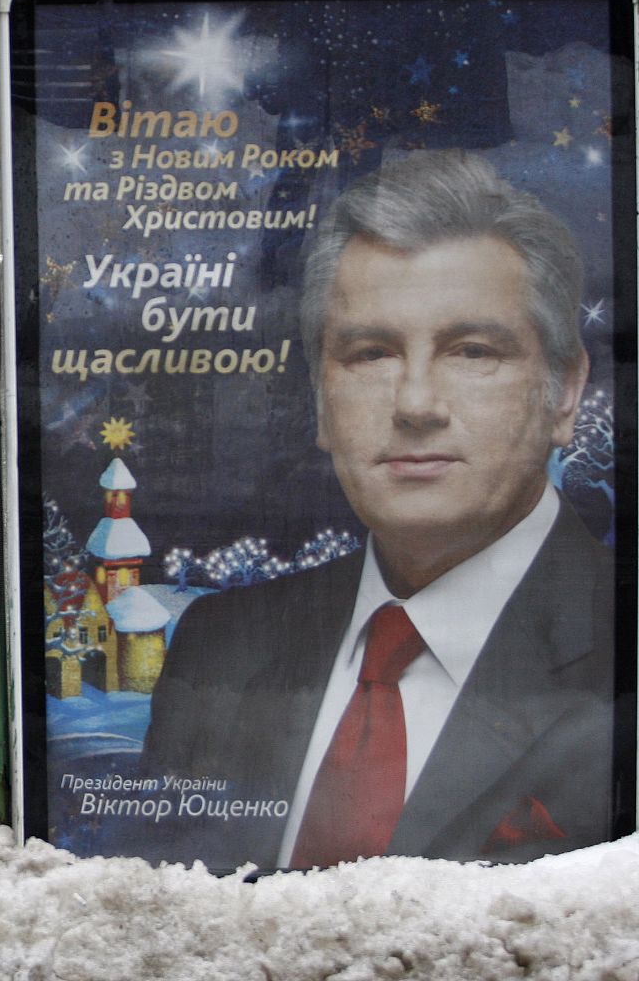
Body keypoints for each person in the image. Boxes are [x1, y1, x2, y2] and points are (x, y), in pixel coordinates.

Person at [140, 150, 615, 869]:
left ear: (565, 390)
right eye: (371, 354)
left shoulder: (621, 643)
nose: (416, 404)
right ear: (320, 398)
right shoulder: (223, 644)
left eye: (472, 350)